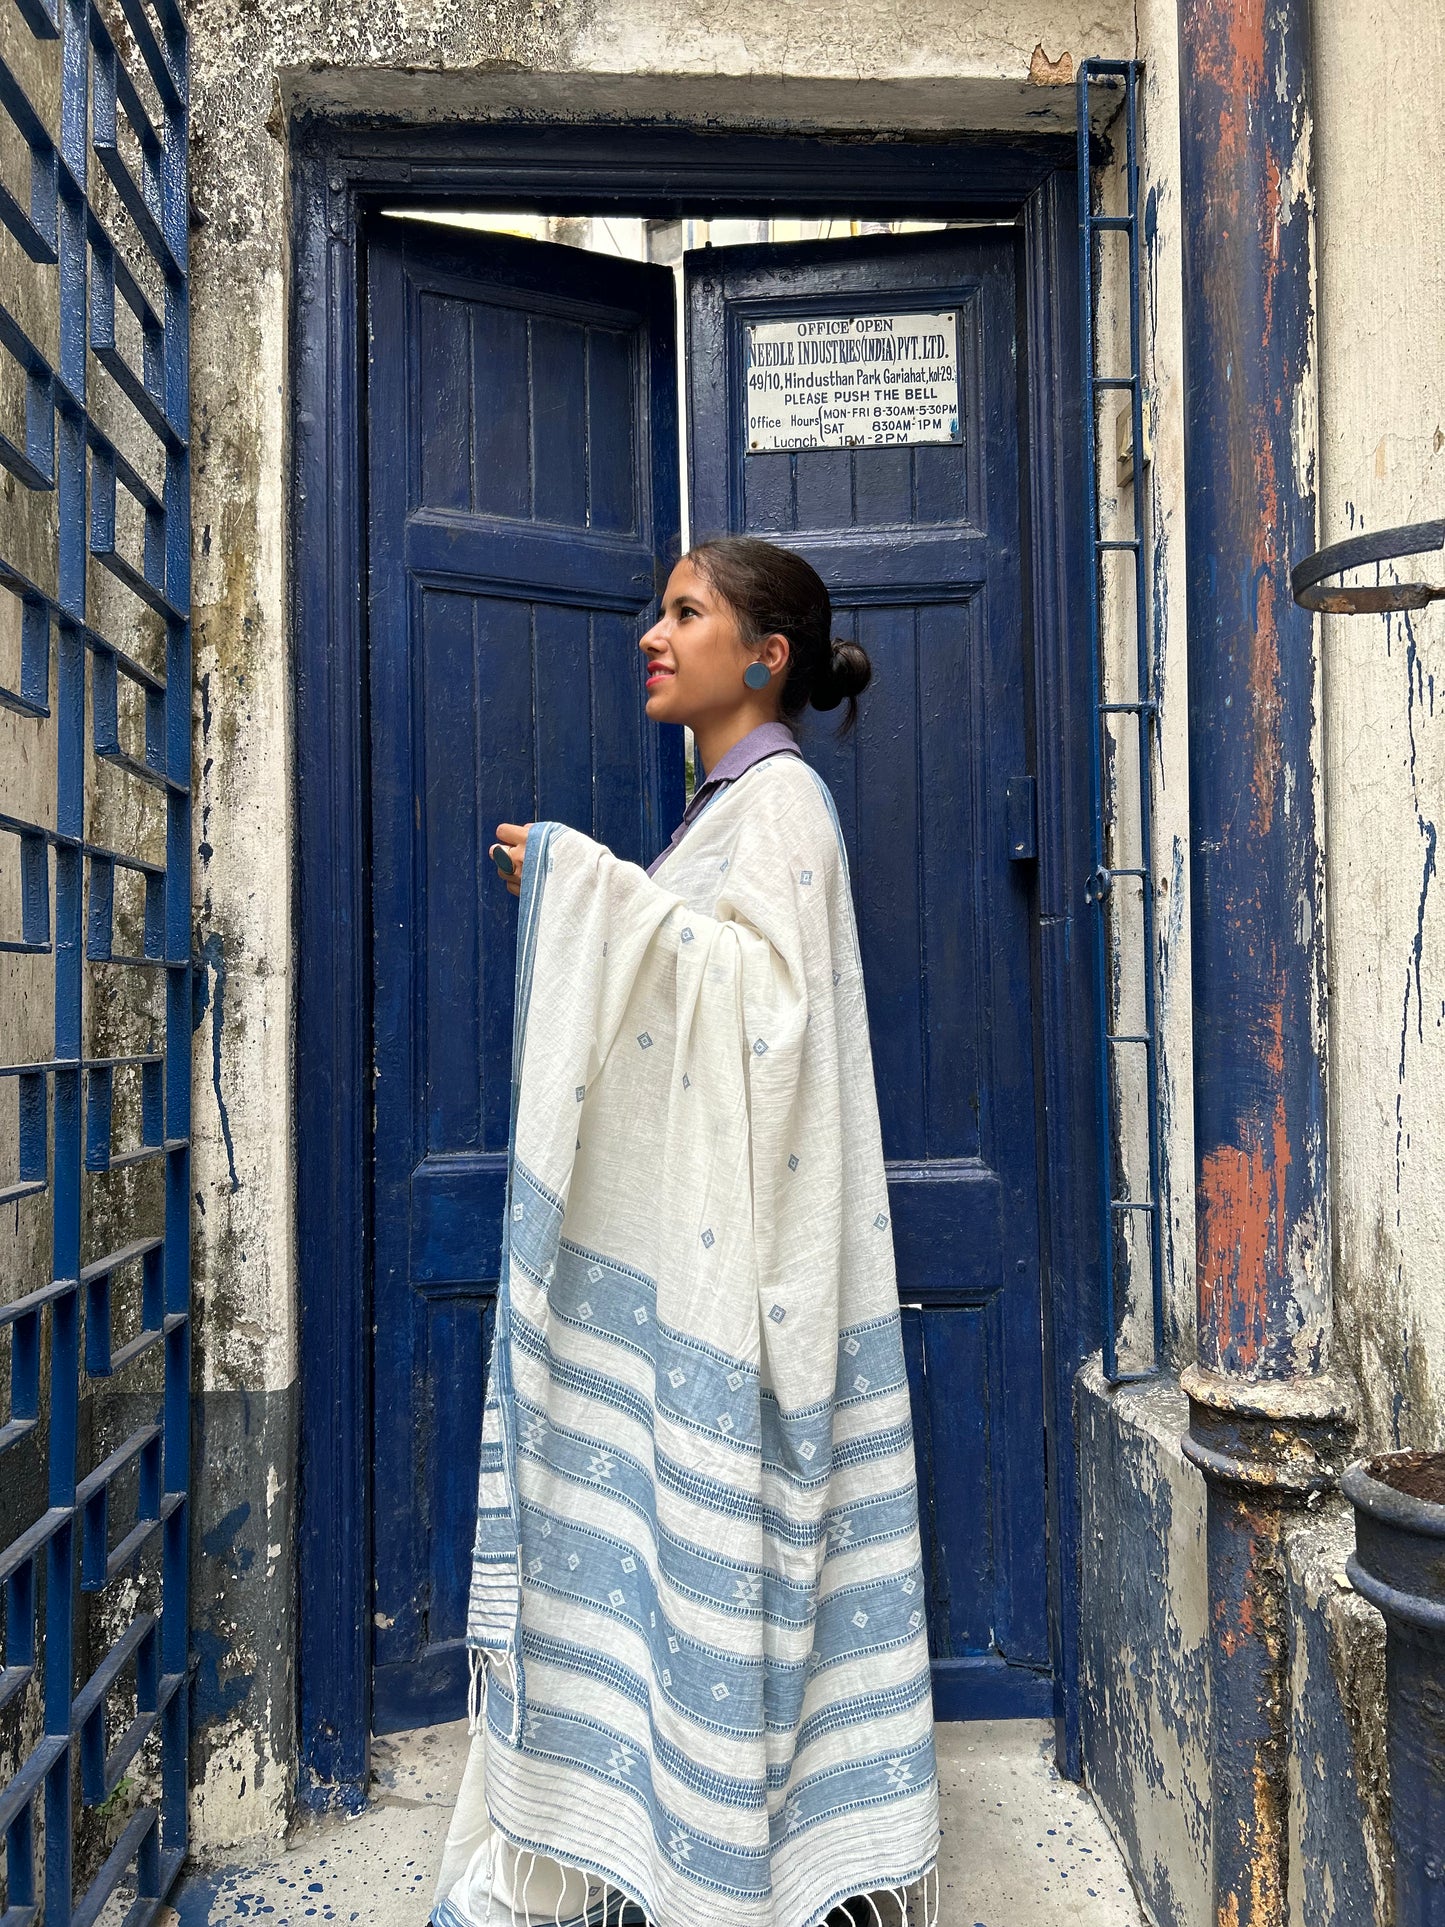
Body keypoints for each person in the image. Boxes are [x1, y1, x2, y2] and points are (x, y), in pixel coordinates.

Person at [431, 537, 940, 1927]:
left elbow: (769, 1020)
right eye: (657, 610)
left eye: (685, 613)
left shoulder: (780, 809)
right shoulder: (727, 810)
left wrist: (587, 891)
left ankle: (719, 1869)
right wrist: (600, 901)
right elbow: (695, 993)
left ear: (763, 655)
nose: (651, 634)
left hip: (746, 1289)